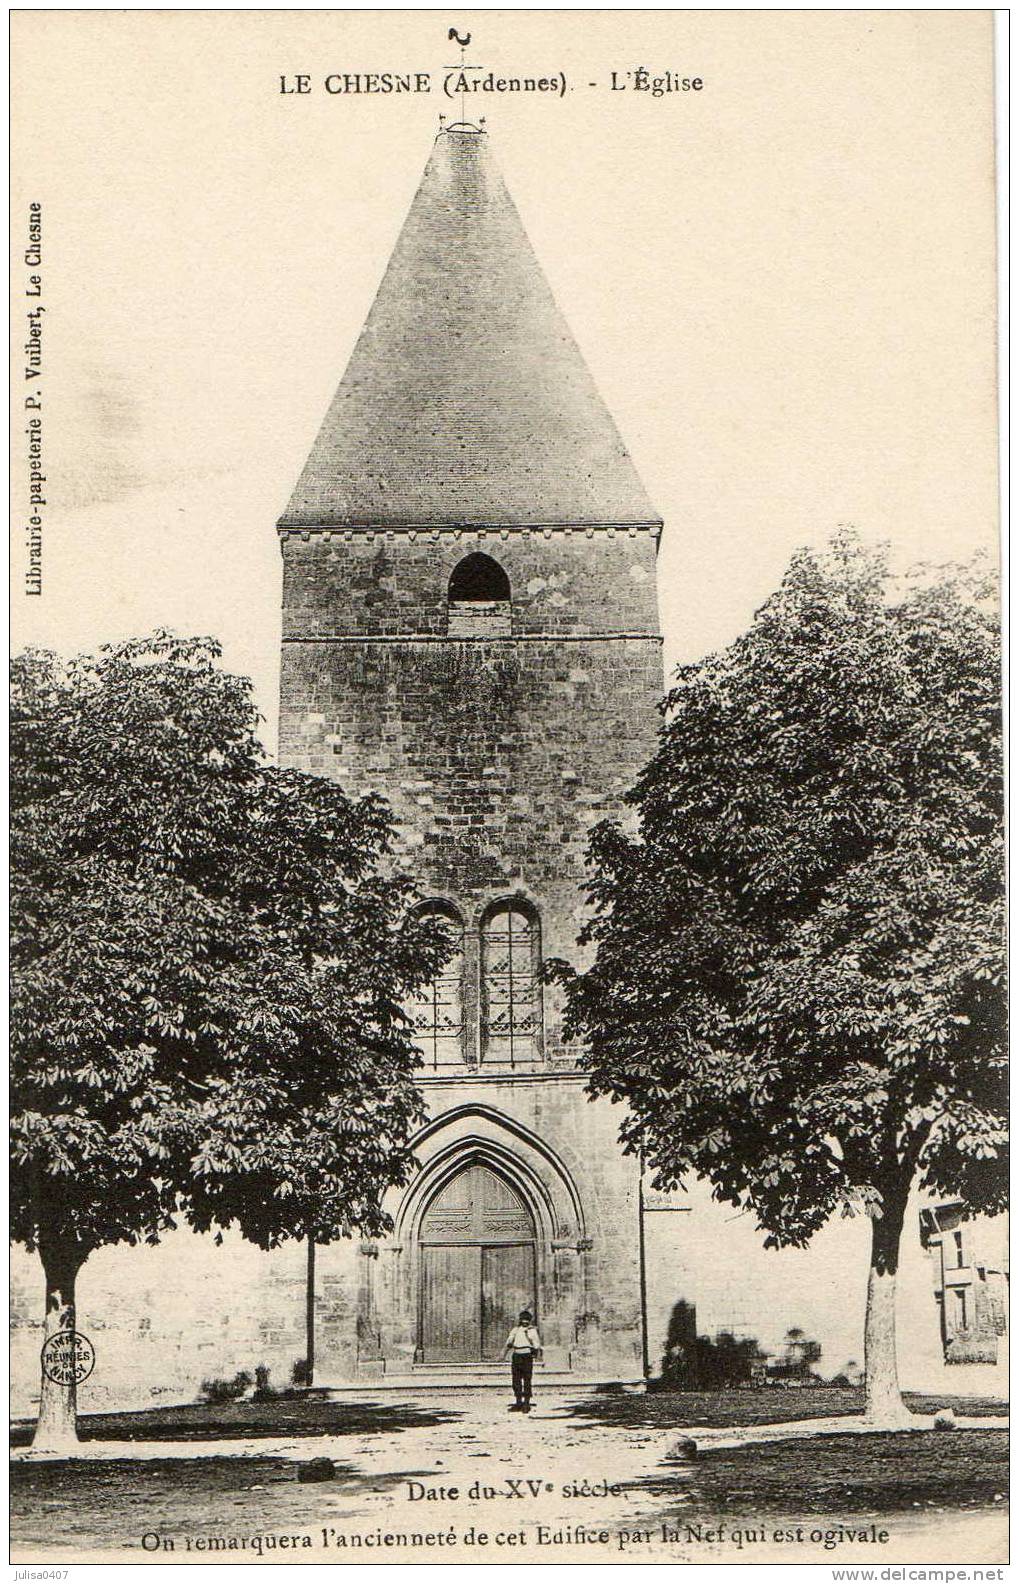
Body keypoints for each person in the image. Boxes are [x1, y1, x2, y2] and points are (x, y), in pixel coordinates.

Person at [503, 1308, 542, 1411]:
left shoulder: (532, 1331)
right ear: (520, 1320)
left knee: (527, 1380)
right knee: (516, 1380)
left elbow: (536, 1345)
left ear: (529, 1321)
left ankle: (526, 1403)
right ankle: (518, 1402)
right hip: (517, 1356)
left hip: (526, 1356)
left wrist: (535, 1352)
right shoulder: (515, 1330)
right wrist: (505, 1351)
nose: (525, 1321)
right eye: (523, 1319)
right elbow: (509, 1342)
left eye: (527, 1319)